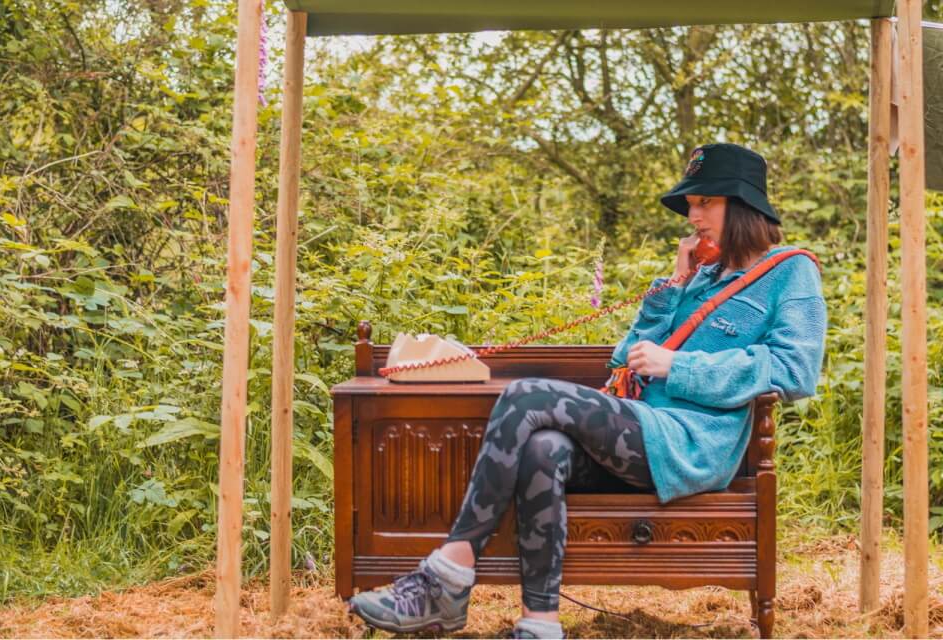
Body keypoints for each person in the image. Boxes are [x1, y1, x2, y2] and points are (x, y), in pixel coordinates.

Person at [346, 143, 827, 639]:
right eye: (691, 204)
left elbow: (795, 369)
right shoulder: (699, 275)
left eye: (705, 202)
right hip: (641, 430)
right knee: (542, 448)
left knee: (527, 395)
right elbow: (624, 357)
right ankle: (540, 624)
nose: (693, 214)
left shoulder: (791, 272)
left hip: (691, 445)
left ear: (741, 204)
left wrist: (680, 367)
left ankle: (445, 578)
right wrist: (673, 287)